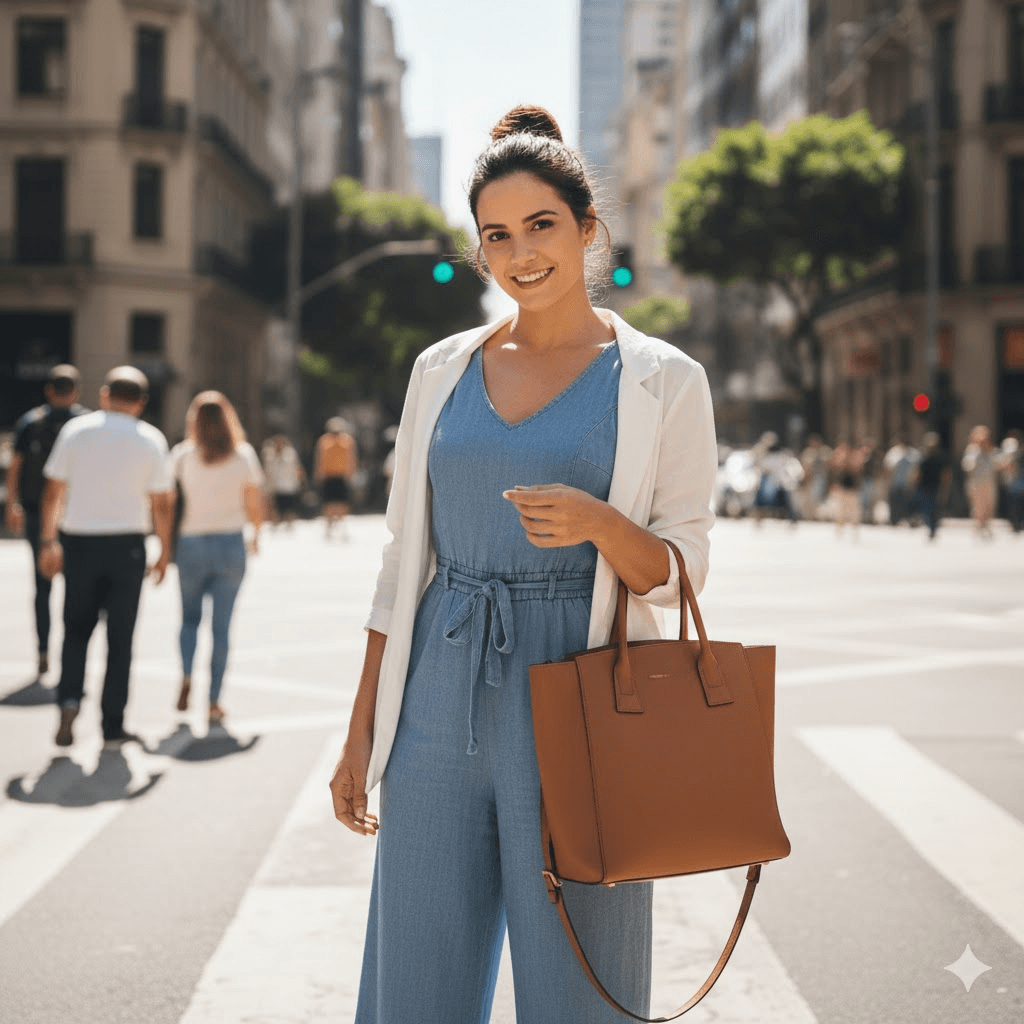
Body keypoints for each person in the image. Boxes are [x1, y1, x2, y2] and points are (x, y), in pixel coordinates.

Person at [329, 105, 718, 1024]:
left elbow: (681, 572)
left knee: (584, 985)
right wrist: (360, 735)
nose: (521, 252)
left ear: (588, 230)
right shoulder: (439, 370)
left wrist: (598, 523)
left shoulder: (665, 378)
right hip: (437, 695)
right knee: (416, 981)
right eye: (496, 235)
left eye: (541, 225)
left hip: (586, 692)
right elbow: (402, 562)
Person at [37, 366, 173, 748]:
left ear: (104, 395)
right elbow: (162, 502)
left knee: (75, 631)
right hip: (127, 547)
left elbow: (53, 491)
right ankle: (112, 724)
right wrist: (165, 551)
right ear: (141, 403)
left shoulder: (76, 431)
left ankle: (68, 703)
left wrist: (48, 541)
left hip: (79, 544)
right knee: (120, 638)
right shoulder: (150, 438)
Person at [169, 392, 265, 723]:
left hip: (190, 543)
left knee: (189, 619)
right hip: (230, 544)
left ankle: (186, 675)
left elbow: (170, 502)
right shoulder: (242, 455)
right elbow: (254, 501)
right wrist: (256, 534)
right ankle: (213, 701)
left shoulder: (182, 455)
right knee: (221, 628)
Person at [5, 365, 89, 678]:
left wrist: (12, 504)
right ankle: (70, 653)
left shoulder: (30, 422)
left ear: (49, 390)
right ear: (76, 392)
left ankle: (43, 650)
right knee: (77, 587)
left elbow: (15, 466)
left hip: (38, 513)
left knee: (42, 585)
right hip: (74, 514)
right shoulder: (85, 423)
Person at [314, 417, 358, 539]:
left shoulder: (347, 440)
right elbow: (319, 458)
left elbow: (352, 458)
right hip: (328, 476)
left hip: (342, 476)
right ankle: (328, 525)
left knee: (342, 502)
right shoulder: (324, 440)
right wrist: (319, 474)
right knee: (328, 503)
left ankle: (341, 525)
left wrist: (352, 473)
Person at [961, 425, 1000, 539]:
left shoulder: (993, 450)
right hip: (976, 483)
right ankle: (979, 527)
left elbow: (998, 464)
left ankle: (986, 527)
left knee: (990, 506)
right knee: (978, 507)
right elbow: (967, 465)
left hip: (990, 482)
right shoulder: (972, 450)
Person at [911, 432, 951, 541]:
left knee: (935, 508)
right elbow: (917, 471)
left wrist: (945, 487)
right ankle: (930, 526)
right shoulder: (922, 457)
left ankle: (933, 528)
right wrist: (913, 483)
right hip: (923, 487)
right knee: (925, 508)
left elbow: (945, 473)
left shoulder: (940, 458)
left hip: (935, 487)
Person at [263, 435, 305, 528]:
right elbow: (268, 471)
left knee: (290, 508)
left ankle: (290, 525)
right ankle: (277, 525)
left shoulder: (291, 454)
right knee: (277, 509)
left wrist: (300, 481)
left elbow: (297, 468)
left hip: (290, 487)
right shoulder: (270, 456)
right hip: (277, 487)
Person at [883, 434, 919, 526]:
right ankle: (895, 520)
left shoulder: (914, 453)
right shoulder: (894, 452)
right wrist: (887, 482)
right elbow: (888, 468)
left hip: (909, 484)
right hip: (896, 483)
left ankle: (911, 519)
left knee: (910, 503)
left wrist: (914, 481)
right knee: (895, 502)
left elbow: (917, 469)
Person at [829, 442, 863, 537]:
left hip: (852, 489)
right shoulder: (839, 461)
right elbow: (835, 473)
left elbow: (856, 472)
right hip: (842, 488)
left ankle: (854, 528)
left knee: (853, 511)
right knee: (840, 510)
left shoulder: (854, 459)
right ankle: (840, 528)